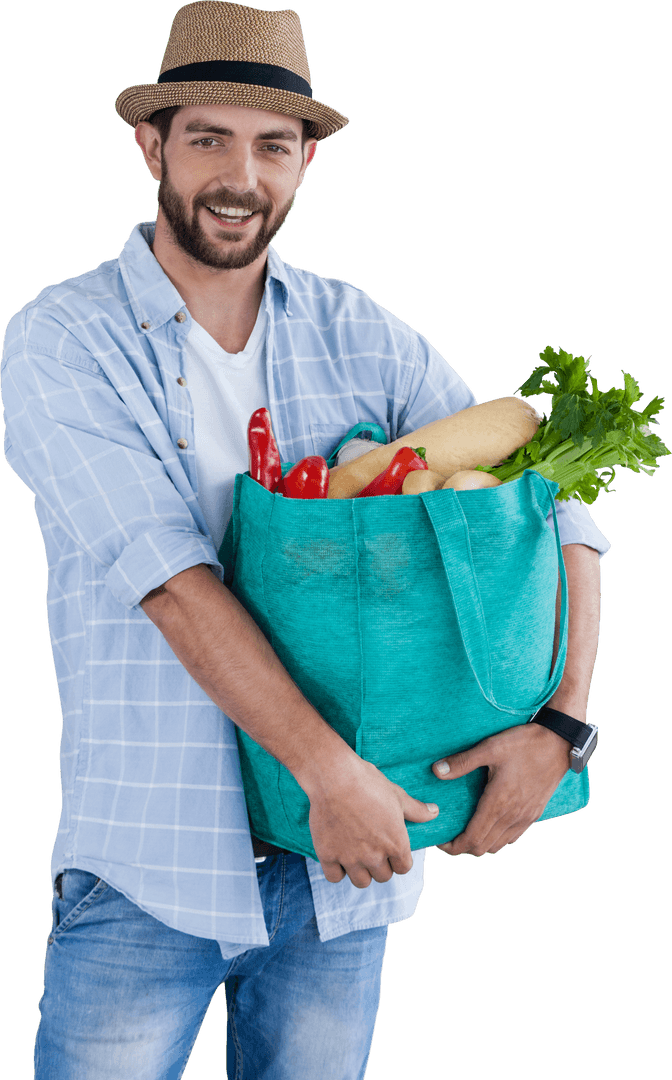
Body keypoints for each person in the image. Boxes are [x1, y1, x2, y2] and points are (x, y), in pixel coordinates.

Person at [0, 3, 610, 1078]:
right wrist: (329, 773)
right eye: (208, 139)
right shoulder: (65, 339)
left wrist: (560, 724)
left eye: (272, 146)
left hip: (344, 878)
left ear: (306, 160)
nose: (240, 176)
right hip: (152, 866)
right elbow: (174, 583)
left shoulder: (359, 331)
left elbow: (555, 512)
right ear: (152, 144)